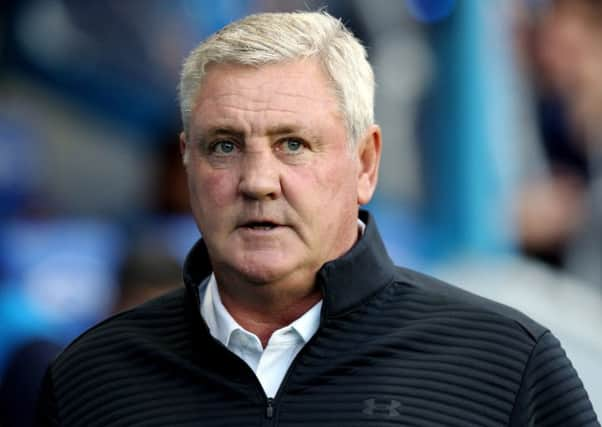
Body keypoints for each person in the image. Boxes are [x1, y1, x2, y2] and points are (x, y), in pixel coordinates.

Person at [36, 11, 599, 426]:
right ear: (187, 162)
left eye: (294, 145)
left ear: (365, 163)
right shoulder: (91, 378)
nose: (258, 181)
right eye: (225, 147)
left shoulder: (505, 364)